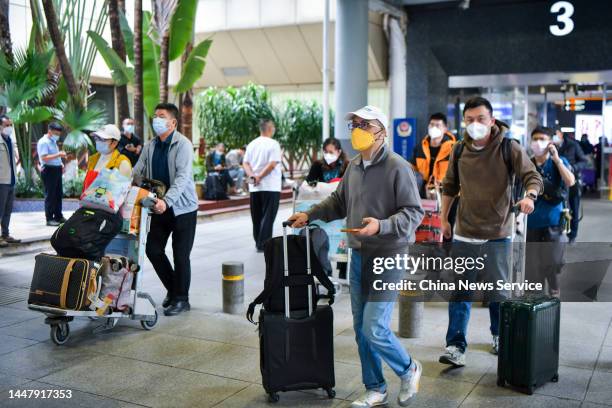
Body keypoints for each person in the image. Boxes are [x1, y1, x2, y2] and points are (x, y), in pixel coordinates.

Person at [288, 105, 425, 408]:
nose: (358, 129)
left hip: (388, 256)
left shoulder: (397, 166)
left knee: (374, 327)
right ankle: (375, 387)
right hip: (359, 256)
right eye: (355, 125)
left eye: (366, 124)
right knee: (362, 331)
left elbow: (414, 213)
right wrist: (308, 215)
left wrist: (382, 225)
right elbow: (338, 202)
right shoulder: (353, 166)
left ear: (382, 131)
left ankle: (408, 368)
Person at [439, 97, 543, 366]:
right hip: (464, 232)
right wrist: (444, 220)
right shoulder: (459, 149)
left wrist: (530, 196)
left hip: (498, 233)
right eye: (469, 119)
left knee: (497, 293)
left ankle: (499, 336)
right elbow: (449, 186)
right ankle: (455, 345)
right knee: (461, 292)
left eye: (481, 119)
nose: (475, 124)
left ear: (492, 120)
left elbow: (532, 176)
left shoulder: (509, 148)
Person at [133, 103, 198, 316]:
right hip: (158, 206)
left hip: (182, 208)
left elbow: (182, 177)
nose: (156, 119)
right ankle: (174, 289)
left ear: (173, 122)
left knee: (181, 255)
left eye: (161, 116)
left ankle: (182, 299)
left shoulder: (183, 145)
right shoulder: (151, 145)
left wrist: (167, 201)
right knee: (153, 249)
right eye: (155, 115)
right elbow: (138, 171)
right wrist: (122, 185)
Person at [527, 126, 575, 297]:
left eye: (542, 139)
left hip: (554, 222)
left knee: (553, 262)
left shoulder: (557, 161)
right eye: (535, 139)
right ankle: (536, 300)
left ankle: (554, 289)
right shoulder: (528, 163)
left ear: (550, 142)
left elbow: (570, 181)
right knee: (533, 267)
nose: (538, 143)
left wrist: (557, 160)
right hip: (531, 223)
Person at [243, 119, 282, 252]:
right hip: (270, 186)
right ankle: (264, 244)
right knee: (268, 216)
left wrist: (253, 176)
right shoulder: (273, 144)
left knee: (257, 216)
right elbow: (272, 164)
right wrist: (259, 176)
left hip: (254, 186)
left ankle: (258, 241)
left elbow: (245, 163)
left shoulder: (252, 144)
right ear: (270, 129)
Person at [410, 112, 456, 196]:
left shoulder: (454, 149)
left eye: (438, 125)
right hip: (421, 194)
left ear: (445, 128)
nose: (434, 128)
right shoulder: (420, 148)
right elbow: (411, 169)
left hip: (446, 194)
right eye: (431, 124)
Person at [554, 128, 587, 243]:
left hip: (572, 182)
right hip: (557, 183)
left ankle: (572, 235)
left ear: (561, 135)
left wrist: (573, 168)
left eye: (556, 134)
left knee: (574, 207)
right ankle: (561, 231)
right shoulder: (550, 146)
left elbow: (584, 160)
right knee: (561, 208)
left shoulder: (573, 145)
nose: (554, 137)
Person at [37, 122, 66, 227]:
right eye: (56, 133)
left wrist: (60, 163)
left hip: (56, 169)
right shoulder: (44, 142)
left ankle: (58, 216)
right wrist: (59, 154)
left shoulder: (52, 141)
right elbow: (44, 157)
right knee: (50, 195)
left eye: (58, 133)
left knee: (58, 194)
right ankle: (49, 219)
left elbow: (54, 156)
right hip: (49, 170)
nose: (57, 135)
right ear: (50, 131)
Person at [0, 116, 20, 247]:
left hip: (11, 180)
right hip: (1, 181)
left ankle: (5, 234)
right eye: (7, 125)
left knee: (7, 210)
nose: (9, 128)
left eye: (10, 125)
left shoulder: (10, 140)